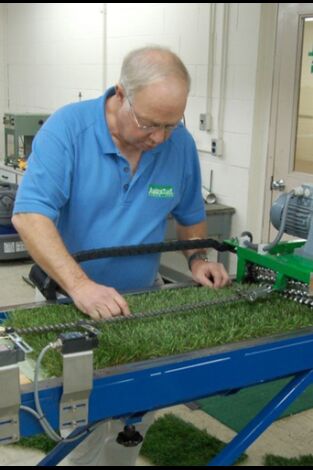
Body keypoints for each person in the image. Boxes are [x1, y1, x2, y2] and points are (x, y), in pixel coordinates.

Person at [12, 46, 229, 466]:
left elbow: (189, 215)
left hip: (141, 307)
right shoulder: (67, 131)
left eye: (171, 124)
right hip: (68, 303)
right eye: (150, 123)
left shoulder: (177, 145)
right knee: (74, 419)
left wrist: (198, 259)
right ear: (120, 95)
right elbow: (30, 216)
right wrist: (82, 287)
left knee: (129, 424)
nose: (160, 138)